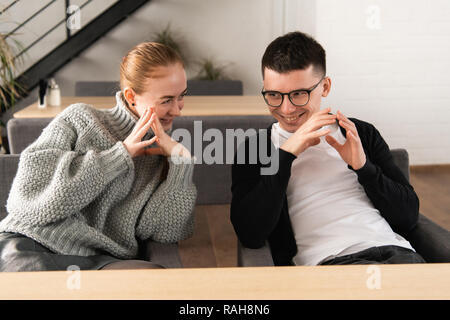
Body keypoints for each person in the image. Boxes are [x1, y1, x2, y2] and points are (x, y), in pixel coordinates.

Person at [230, 31, 425, 266]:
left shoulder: (360, 133)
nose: (287, 108)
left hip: (396, 255)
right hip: (329, 265)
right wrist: (286, 155)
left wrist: (364, 168)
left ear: (325, 87)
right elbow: (250, 233)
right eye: (273, 95)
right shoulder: (256, 148)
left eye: (299, 94)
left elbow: (408, 218)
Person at [0, 42, 197, 271]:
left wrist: (182, 164)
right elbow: (27, 203)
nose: (178, 109)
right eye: (166, 100)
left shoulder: (163, 153)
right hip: (32, 244)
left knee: (154, 278)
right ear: (131, 96)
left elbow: (166, 233)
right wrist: (120, 155)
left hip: (99, 261)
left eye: (181, 96)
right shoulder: (79, 119)